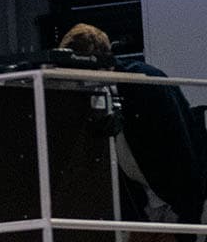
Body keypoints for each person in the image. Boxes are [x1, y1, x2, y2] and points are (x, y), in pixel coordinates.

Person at [57, 24, 206, 228]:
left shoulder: (145, 85)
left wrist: (183, 223)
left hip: (181, 204)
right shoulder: (99, 98)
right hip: (150, 209)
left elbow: (184, 157)